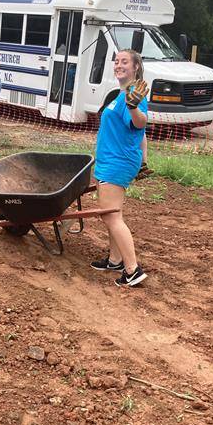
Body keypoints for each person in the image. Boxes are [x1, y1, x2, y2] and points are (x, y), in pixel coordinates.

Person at [91, 49, 149, 286]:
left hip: (117, 162)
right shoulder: (121, 94)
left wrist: (134, 107)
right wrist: (144, 160)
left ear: (135, 66)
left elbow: (140, 122)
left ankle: (132, 269)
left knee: (111, 216)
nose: (118, 65)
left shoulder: (133, 94)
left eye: (124, 61)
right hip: (111, 159)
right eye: (116, 61)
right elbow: (141, 134)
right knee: (113, 214)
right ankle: (115, 260)